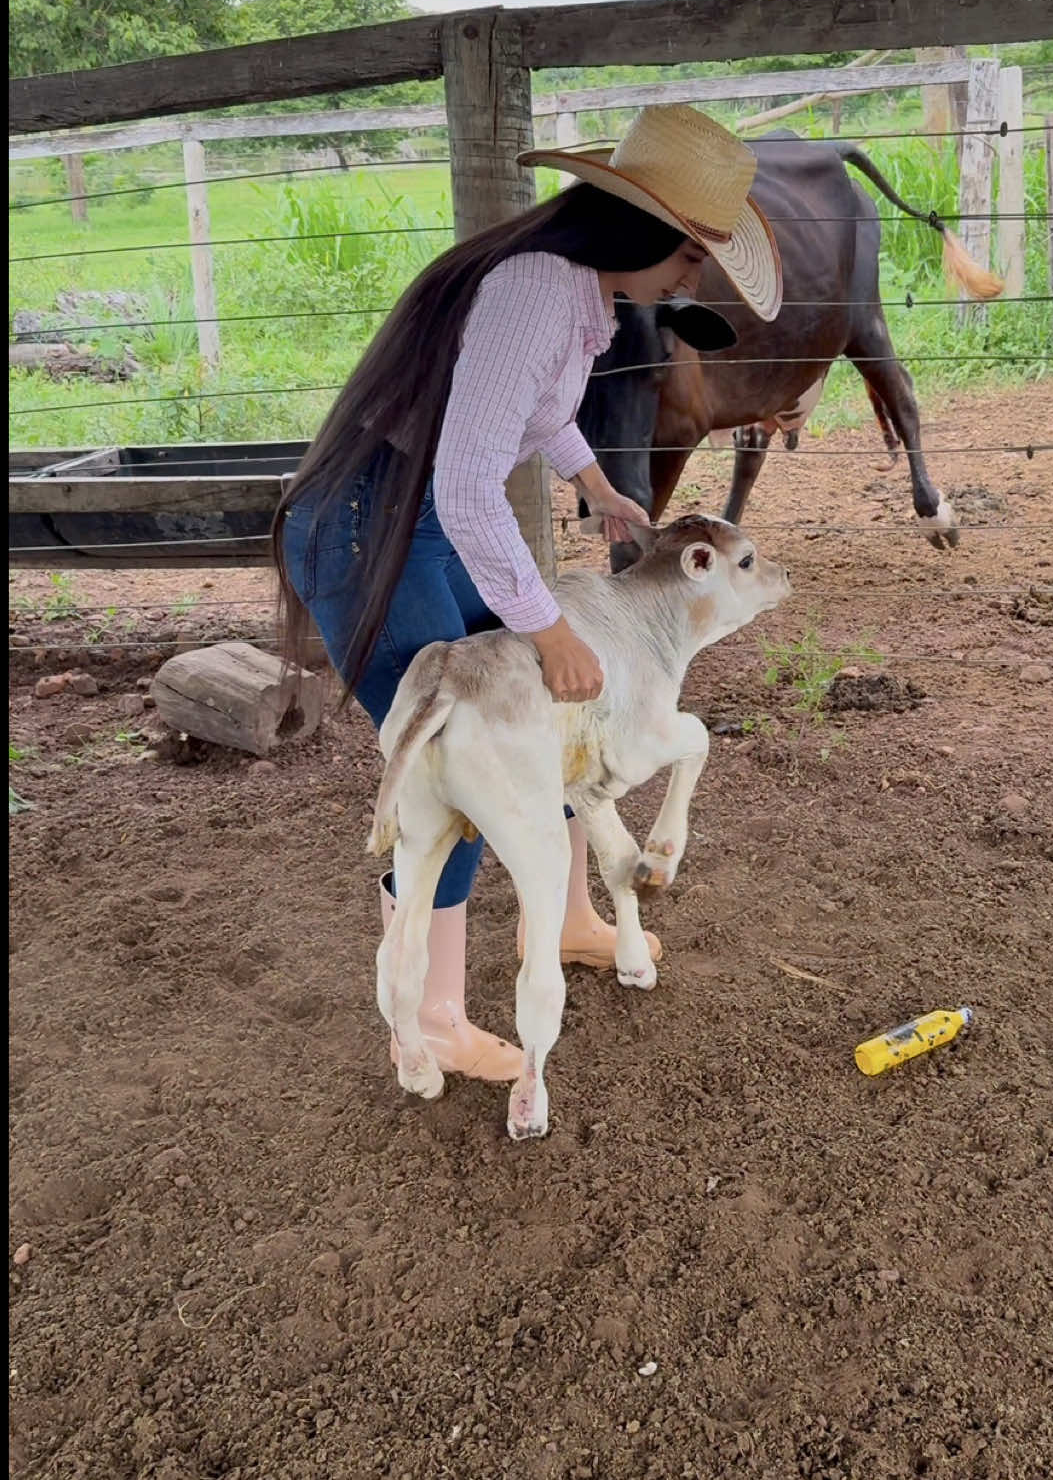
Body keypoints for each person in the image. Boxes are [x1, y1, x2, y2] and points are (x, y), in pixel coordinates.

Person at [274, 103, 783, 1083]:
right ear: (646, 232)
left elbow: (532, 409)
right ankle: (428, 1025)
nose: (690, 279)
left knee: (536, 723)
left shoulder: (571, 292)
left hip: (419, 516)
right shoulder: (536, 297)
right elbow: (469, 487)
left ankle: (572, 921)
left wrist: (590, 482)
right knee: (452, 762)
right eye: (689, 258)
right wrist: (547, 627)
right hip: (371, 524)